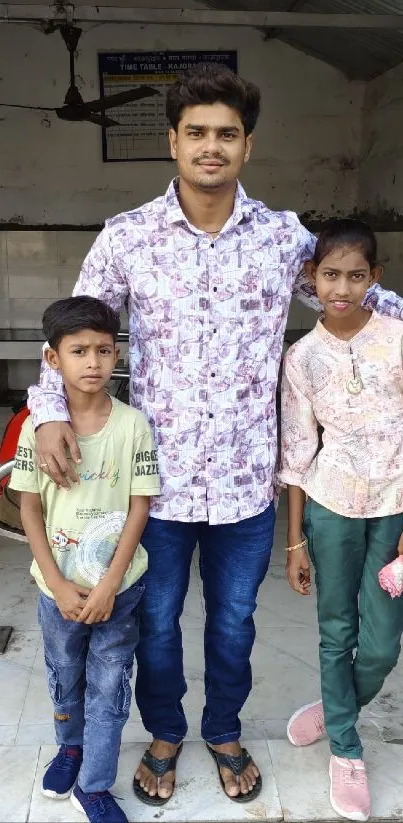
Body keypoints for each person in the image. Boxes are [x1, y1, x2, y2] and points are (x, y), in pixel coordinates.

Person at [27, 64, 403, 805]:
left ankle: (223, 729)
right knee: (158, 624)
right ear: (172, 140)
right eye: (195, 132)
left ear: (246, 146)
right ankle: (165, 733)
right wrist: (46, 412)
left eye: (225, 134)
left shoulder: (280, 237)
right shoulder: (128, 236)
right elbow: (77, 328)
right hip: (153, 483)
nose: (210, 146)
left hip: (242, 481)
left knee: (233, 622)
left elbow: (348, 290)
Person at [10, 296, 160, 823]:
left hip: (119, 590)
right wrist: (56, 581)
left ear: (116, 353)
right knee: (64, 675)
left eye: (103, 349)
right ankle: (68, 748)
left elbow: (140, 507)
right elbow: (28, 509)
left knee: (110, 685)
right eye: (79, 351)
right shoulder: (38, 427)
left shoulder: (133, 425)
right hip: (58, 591)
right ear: (53, 360)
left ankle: (94, 785)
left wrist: (109, 585)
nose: (93, 362)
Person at [278, 219, 403, 822]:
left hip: (394, 512)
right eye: (331, 274)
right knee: (337, 632)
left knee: (381, 644)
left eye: (357, 275)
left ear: (375, 278)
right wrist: (295, 540)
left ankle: (335, 708)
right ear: (312, 278)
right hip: (329, 508)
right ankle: (347, 752)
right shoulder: (301, 359)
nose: (343, 287)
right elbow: (298, 455)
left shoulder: (398, 339)